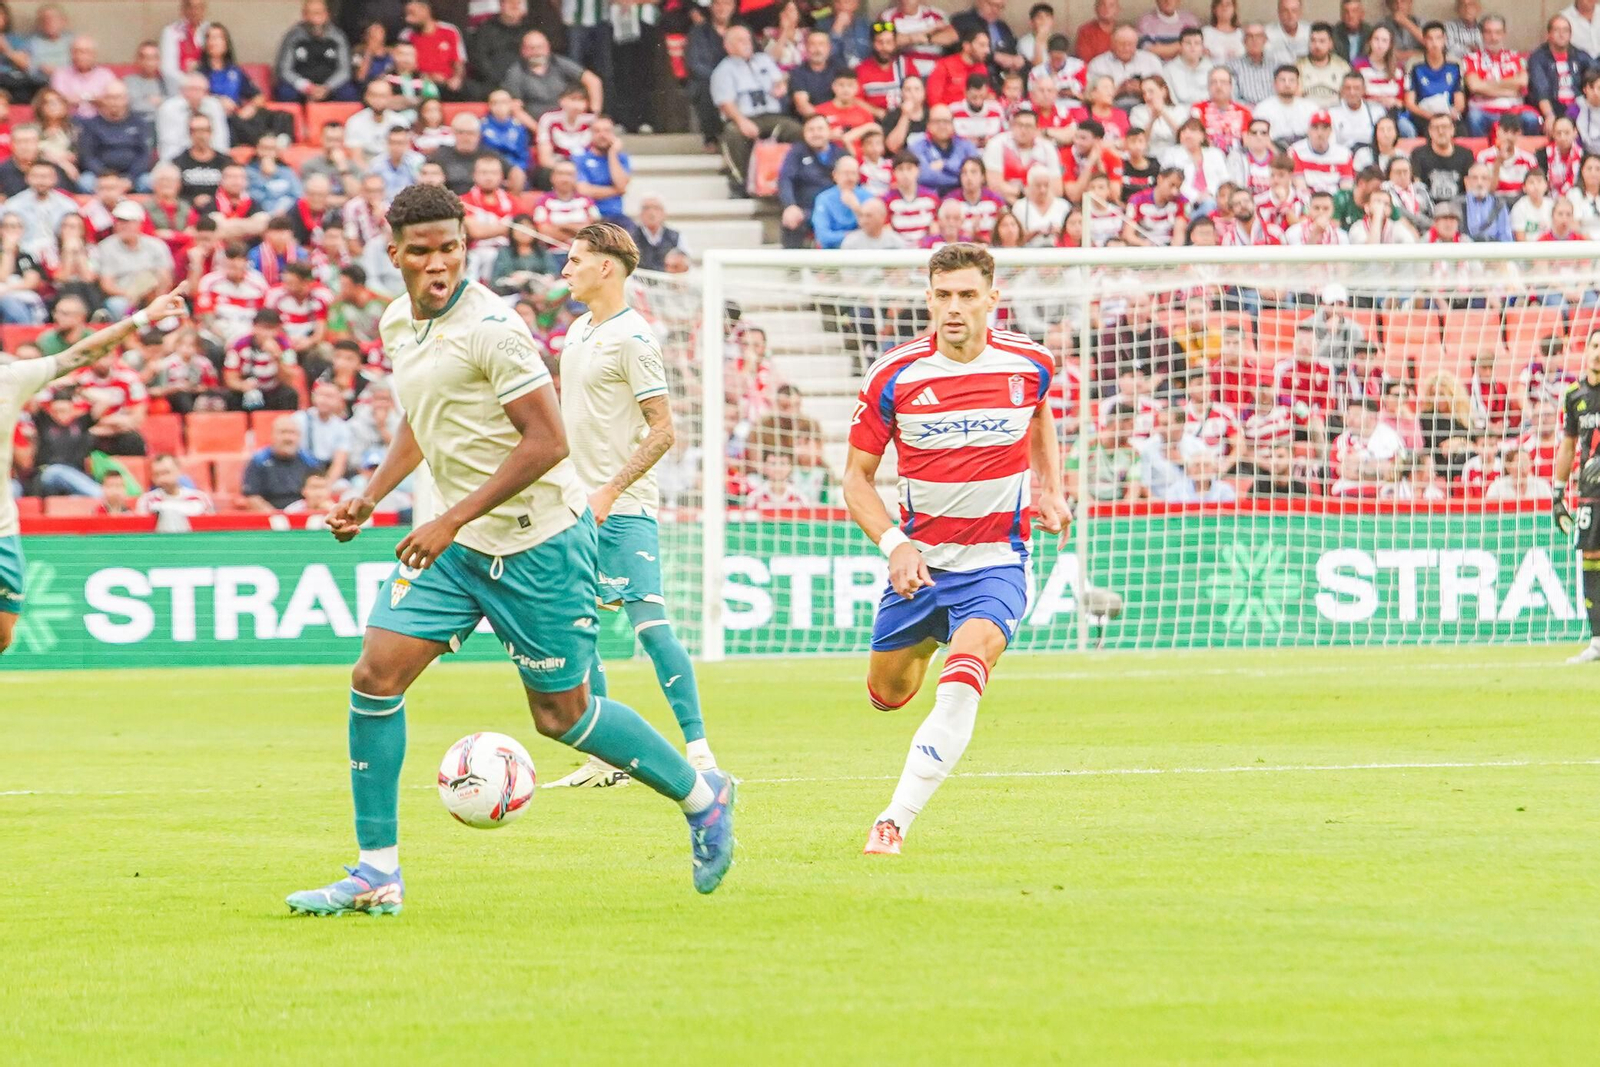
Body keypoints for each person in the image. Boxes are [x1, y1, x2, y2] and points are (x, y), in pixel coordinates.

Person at [284, 185, 735, 914]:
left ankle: (702, 797)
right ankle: (377, 872)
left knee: (563, 717)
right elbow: (422, 417)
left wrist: (448, 518)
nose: (438, 263)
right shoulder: (400, 322)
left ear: (466, 248)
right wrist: (370, 495)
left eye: (451, 248)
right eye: (422, 251)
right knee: (375, 675)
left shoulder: (494, 328)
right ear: (394, 253)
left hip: (539, 545)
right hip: (459, 550)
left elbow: (548, 441)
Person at [843, 242, 1067, 855]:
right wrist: (895, 544)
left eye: (968, 295)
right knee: (887, 695)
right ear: (928, 299)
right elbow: (856, 479)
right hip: (921, 566)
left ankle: (893, 821)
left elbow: (1039, 413)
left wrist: (1051, 488)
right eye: (943, 296)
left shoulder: (1030, 363)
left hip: (998, 561)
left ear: (993, 298)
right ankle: (928, 637)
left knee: (964, 673)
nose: (954, 308)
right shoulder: (894, 376)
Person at [544, 222, 719, 787]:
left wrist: (610, 490)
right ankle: (603, 759)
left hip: (622, 507)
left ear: (606, 267)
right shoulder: (576, 331)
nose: (565, 269)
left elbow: (664, 430)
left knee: (651, 627)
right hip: (573, 508)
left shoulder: (635, 338)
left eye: (575, 260)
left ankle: (700, 755)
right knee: (578, 630)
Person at [0, 286, 187, 654]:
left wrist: (142, 318)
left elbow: (79, 355)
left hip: (3, 532)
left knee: (4, 636)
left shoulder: (10, 379)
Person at [1553, 331, 1600, 661]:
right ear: (1586, 350)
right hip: (1589, 494)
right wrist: (1558, 493)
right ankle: (1597, 640)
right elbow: (1568, 445)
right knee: (1590, 559)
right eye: (1595, 346)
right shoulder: (1574, 395)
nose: (1599, 352)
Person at [711, 25, 800, 188]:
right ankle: (740, 183)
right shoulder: (723, 70)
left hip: (772, 116)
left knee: (797, 131)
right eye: (740, 41)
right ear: (728, 46)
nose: (747, 43)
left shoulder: (763, 60)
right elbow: (725, 103)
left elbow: (780, 79)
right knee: (734, 134)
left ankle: (795, 180)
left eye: (748, 39)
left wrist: (781, 85)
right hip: (744, 117)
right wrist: (741, 121)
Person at [1464, 14, 1537, 136]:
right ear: (1482, 34)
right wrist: (1509, 90)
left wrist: (1486, 85)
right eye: (1488, 32)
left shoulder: (1516, 56)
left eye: (1497, 32)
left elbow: (1522, 82)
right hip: (1483, 111)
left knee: (1531, 119)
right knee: (1474, 118)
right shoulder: (1471, 58)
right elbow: (1474, 86)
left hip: (1514, 111)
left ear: (1504, 34)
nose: (1493, 37)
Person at [274, 0, 355, 103]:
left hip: (330, 85)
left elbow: (344, 70)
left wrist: (327, 87)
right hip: (301, 84)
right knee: (285, 93)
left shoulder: (338, 37)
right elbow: (284, 69)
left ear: (327, 14)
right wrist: (306, 86)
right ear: (304, 15)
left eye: (318, 13)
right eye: (310, 13)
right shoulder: (293, 37)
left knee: (349, 93)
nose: (315, 19)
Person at [1529, 16, 1593, 134]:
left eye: (1565, 30)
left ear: (1570, 34)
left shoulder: (1580, 56)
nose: (1561, 34)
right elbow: (1541, 90)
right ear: (1548, 34)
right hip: (1554, 107)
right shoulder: (1538, 58)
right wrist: (1549, 115)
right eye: (1557, 30)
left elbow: (1594, 77)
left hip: (1578, 107)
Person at [135, 451, 214, 520]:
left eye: (166, 472)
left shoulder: (200, 498)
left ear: (179, 471)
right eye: (157, 474)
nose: (162, 479)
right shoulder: (147, 501)